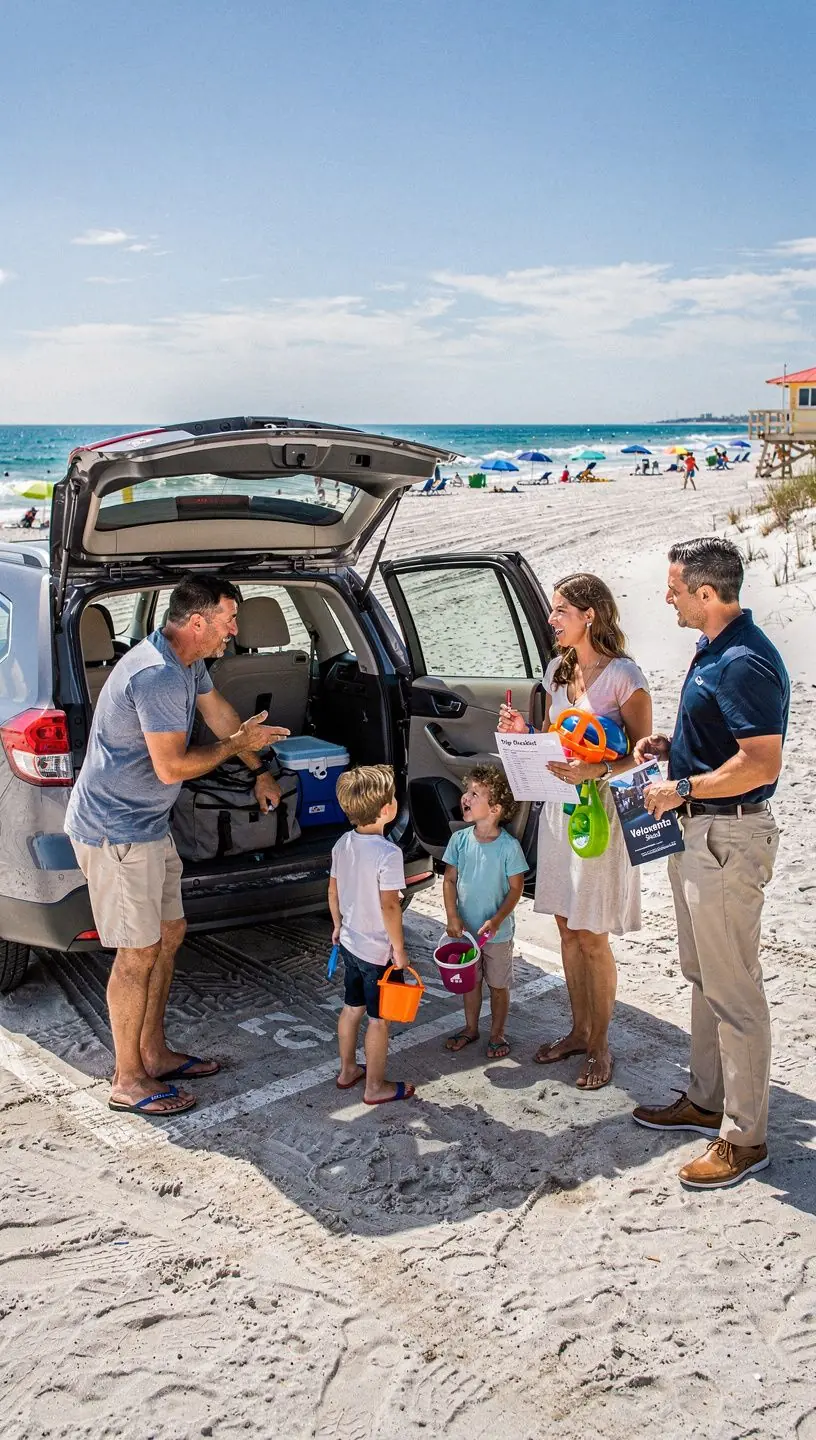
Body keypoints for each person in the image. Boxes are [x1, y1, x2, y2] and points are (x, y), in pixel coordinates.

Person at [65, 574, 288, 1118]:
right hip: (116, 830)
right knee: (136, 951)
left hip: (148, 825)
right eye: (229, 620)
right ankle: (127, 1078)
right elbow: (172, 767)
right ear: (197, 622)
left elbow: (221, 717)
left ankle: (154, 1053)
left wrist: (258, 769)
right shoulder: (159, 674)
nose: (236, 630)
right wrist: (236, 746)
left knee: (168, 934)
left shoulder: (188, 663)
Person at [632, 537, 789, 1189]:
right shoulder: (713, 651)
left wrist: (684, 788)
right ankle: (706, 1098)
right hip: (699, 835)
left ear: (705, 592)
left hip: (727, 838)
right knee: (703, 975)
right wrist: (675, 752)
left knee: (735, 992)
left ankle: (744, 1138)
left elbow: (761, 762)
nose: (666, 597)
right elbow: (726, 743)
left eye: (674, 587)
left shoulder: (745, 660)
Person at [499, 574, 652, 1088]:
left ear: (590, 614)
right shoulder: (556, 671)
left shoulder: (624, 676)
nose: (551, 619)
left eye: (560, 610)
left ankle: (602, 1046)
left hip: (602, 815)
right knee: (566, 927)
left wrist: (597, 772)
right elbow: (552, 739)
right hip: (559, 810)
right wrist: (523, 734)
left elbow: (643, 754)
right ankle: (579, 1031)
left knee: (592, 934)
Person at [329, 764, 416, 1105]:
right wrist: (399, 949)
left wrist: (337, 925)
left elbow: (333, 892)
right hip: (378, 953)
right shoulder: (388, 854)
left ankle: (347, 1070)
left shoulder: (342, 844)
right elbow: (390, 907)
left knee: (352, 1009)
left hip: (350, 945)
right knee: (379, 1021)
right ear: (386, 810)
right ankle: (375, 1087)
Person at [443, 765, 528, 1061]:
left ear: (494, 809)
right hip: (466, 932)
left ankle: (497, 1032)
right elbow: (450, 880)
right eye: (468, 791)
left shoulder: (509, 847)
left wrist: (497, 920)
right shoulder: (459, 841)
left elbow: (516, 889)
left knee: (499, 985)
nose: (465, 797)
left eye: (475, 794)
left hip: (497, 934)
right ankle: (470, 1027)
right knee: (471, 982)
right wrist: (453, 917)